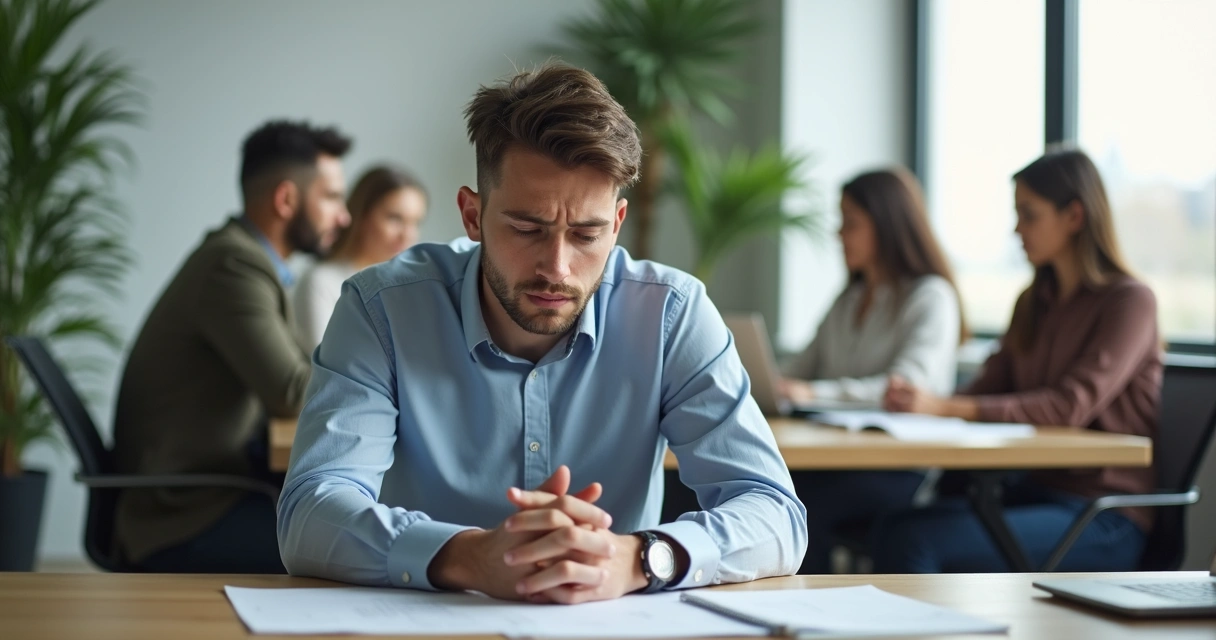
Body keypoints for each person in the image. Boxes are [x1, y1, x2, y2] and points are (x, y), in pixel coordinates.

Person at [277, 63, 807, 604]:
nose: (557, 267)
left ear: (617, 224)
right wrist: (470, 557)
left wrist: (639, 558)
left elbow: (776, 514)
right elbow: (310, 512)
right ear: (472, 215)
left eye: (586, 234)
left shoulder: (671, 315)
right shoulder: (381, 310)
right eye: (527, 229)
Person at [873, 148, 1161, 573]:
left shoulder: (1130, 301)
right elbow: (987, 387)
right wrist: (920, 404)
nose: (1017, 229)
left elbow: (1068, 407)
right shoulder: (1034, 302)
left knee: (914, 540)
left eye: (1029, 215)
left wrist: (944, 407)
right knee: (892, 526)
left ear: (1074, 216)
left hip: (1103, 514)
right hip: (1030, 491)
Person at [112, 120, 352, 573]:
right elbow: (292, 392)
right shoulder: (234, 265)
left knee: (348, 525)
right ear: (286, 199)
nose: (344, 217)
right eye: (332, 197)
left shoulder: (245, 260)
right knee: (349, 547)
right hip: (180, 516)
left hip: (210, 491)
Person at [778, 168, 966, 574]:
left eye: (851, 223)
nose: (839, 234)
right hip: (835, 457)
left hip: (899, 467)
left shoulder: (930, 297)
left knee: (795, 503)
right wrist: (771, 382)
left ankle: (805, 607)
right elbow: (801, 368)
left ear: (887, 226)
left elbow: (905, 388)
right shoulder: (850, 298)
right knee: (754, 487)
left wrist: (813, 393)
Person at [293, 165, 428, 350]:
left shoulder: (413, 290)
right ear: (362, 216)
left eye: (416, 222)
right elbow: (323, 362)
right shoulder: (321, 282)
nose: (407, 235)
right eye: (395, 218)